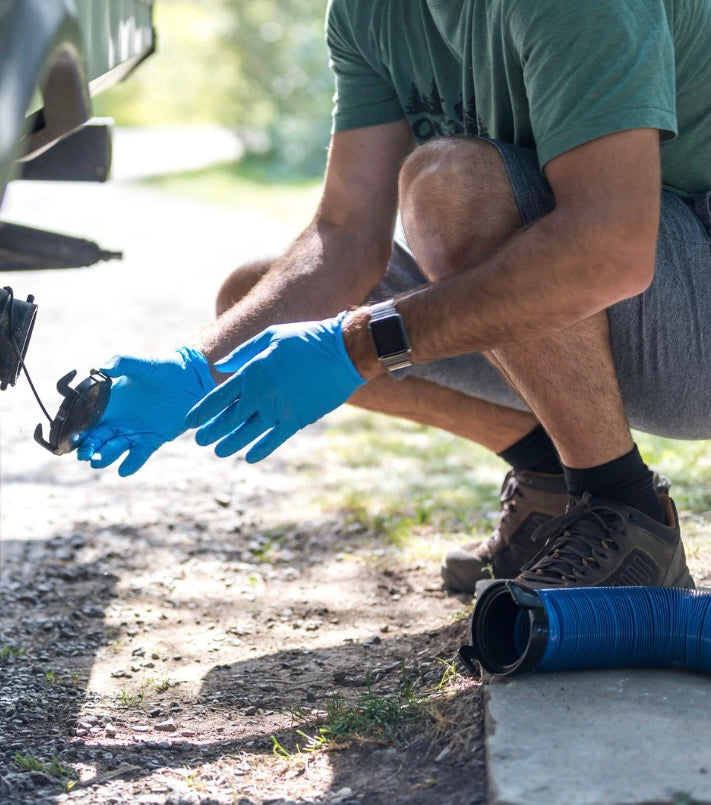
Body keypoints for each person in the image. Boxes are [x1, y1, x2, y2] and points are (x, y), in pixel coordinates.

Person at [76, 0, 711, 593]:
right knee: (253, 298)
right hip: (647, 295)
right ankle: (553, 479)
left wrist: (356, 346)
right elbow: (346, 235)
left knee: (451, 188)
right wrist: (197, 368)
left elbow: (609, 248)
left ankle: (626, 517)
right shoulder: (370, 10)